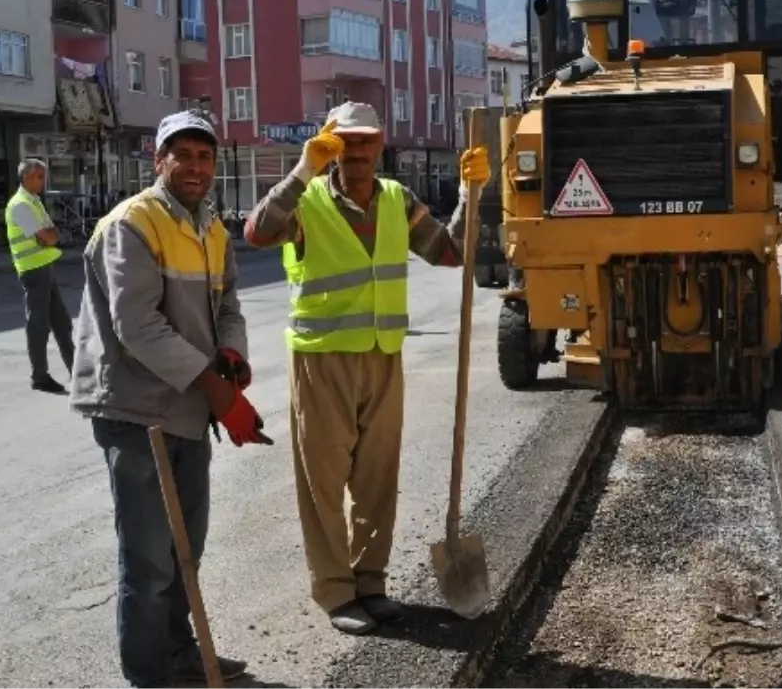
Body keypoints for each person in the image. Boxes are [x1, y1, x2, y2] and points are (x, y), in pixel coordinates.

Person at [244, 101, 490, 636]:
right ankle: (336, 592)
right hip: (322, 359)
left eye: (365, 141)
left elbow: (450, 252)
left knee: (378, 480)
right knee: (324, 484)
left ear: (381, 144)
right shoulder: (306, 199)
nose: (356, 151)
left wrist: (472, 194)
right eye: (345, 141)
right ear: (330, 143)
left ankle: (371, 582)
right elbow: (258, 233)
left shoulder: (399, 202)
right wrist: (303, 167)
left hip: (382, 356)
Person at [69, 109, 270, 689]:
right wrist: (216, 389)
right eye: (182, 154)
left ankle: (184, 655)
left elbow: (228, 303)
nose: (195, 166)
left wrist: (231, 360)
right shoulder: (131, 225)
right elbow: (137, 328)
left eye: (204, 156)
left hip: (186, 408)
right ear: (159, 161)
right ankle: (150, 675)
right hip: (135, 413)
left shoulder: (210, 228)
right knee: (151, 558)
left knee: (188, 550)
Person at [5, 158, 74, 394]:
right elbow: (47, 236)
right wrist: (49, 234)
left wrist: (50, 234)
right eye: (40, 177)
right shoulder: (21, 205)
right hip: (32, 270)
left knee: (62, 324)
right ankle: (40, 376)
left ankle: (78, 372)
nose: (43, 181)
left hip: (45, 267)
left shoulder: (34, 201)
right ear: (27, 178)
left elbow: (51, 232)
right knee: (39, 325)